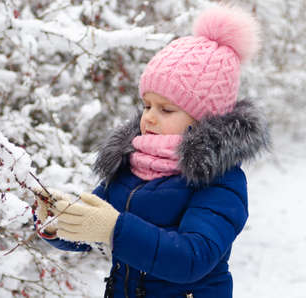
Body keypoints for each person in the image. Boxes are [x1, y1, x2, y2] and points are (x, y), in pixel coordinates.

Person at [33, 4, 270, 298]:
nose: (149, 117)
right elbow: (93, 231)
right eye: (147, 105)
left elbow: (192, 258)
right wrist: (59, 221)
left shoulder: (219, 180)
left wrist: (113, 228)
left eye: (166, 109)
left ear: (205, 117)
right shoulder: (130, 163)